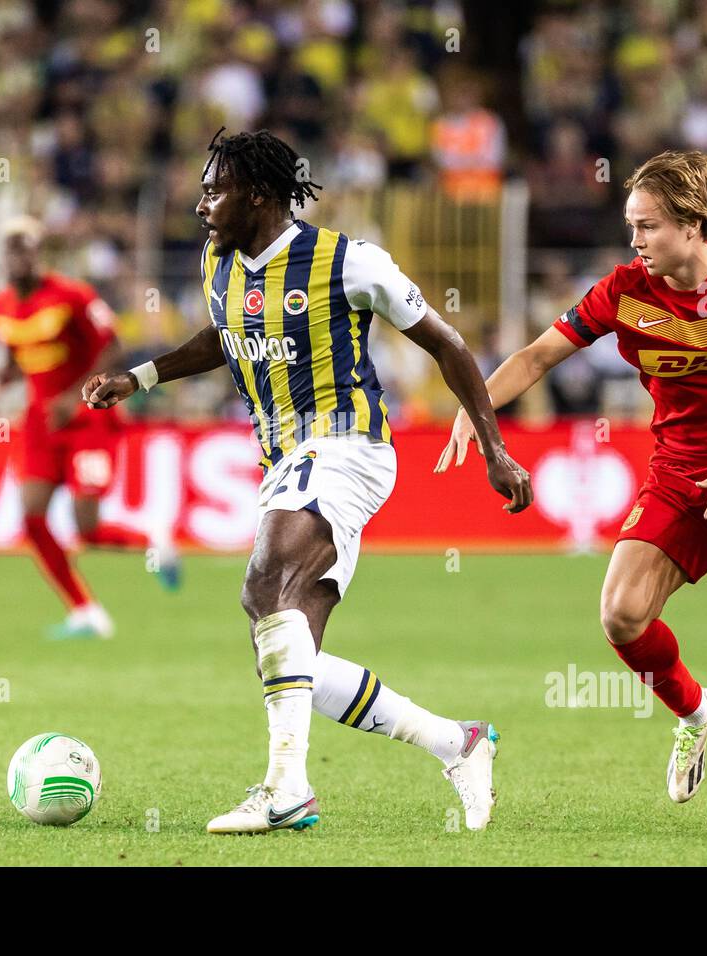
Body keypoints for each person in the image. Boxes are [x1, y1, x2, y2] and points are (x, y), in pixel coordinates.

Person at [85, 129, 532, 834]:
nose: (201, 203)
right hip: (285, 462)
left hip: (346, 446)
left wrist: (493, 446)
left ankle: (285, 789)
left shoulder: (349, 262)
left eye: (214, 189)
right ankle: (458, 742)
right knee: (288, 645)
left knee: (264, 585)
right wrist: (138, 377)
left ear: (258, 195)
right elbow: (221, 336)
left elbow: (447, 344)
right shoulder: (217, 261)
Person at [437, 150, 707, 826]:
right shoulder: (626, 290)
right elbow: (538, 354)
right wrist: (477, 408)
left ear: (693, 224)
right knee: (621, 615)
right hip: (680, 472)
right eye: (632, 226)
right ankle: (695, 711)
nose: (636, 241)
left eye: (649, 226)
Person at [0, 216, 178, 641]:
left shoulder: (72, 296)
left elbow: (113, 346)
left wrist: (73, 397)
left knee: (88, 529)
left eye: (25, 249)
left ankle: (152, 539)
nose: (18, 257)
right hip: (41, 423)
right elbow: (15, 360)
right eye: (11, 250)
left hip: (88, 418)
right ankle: (86, 611)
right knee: (32, 518)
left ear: (39, 254)